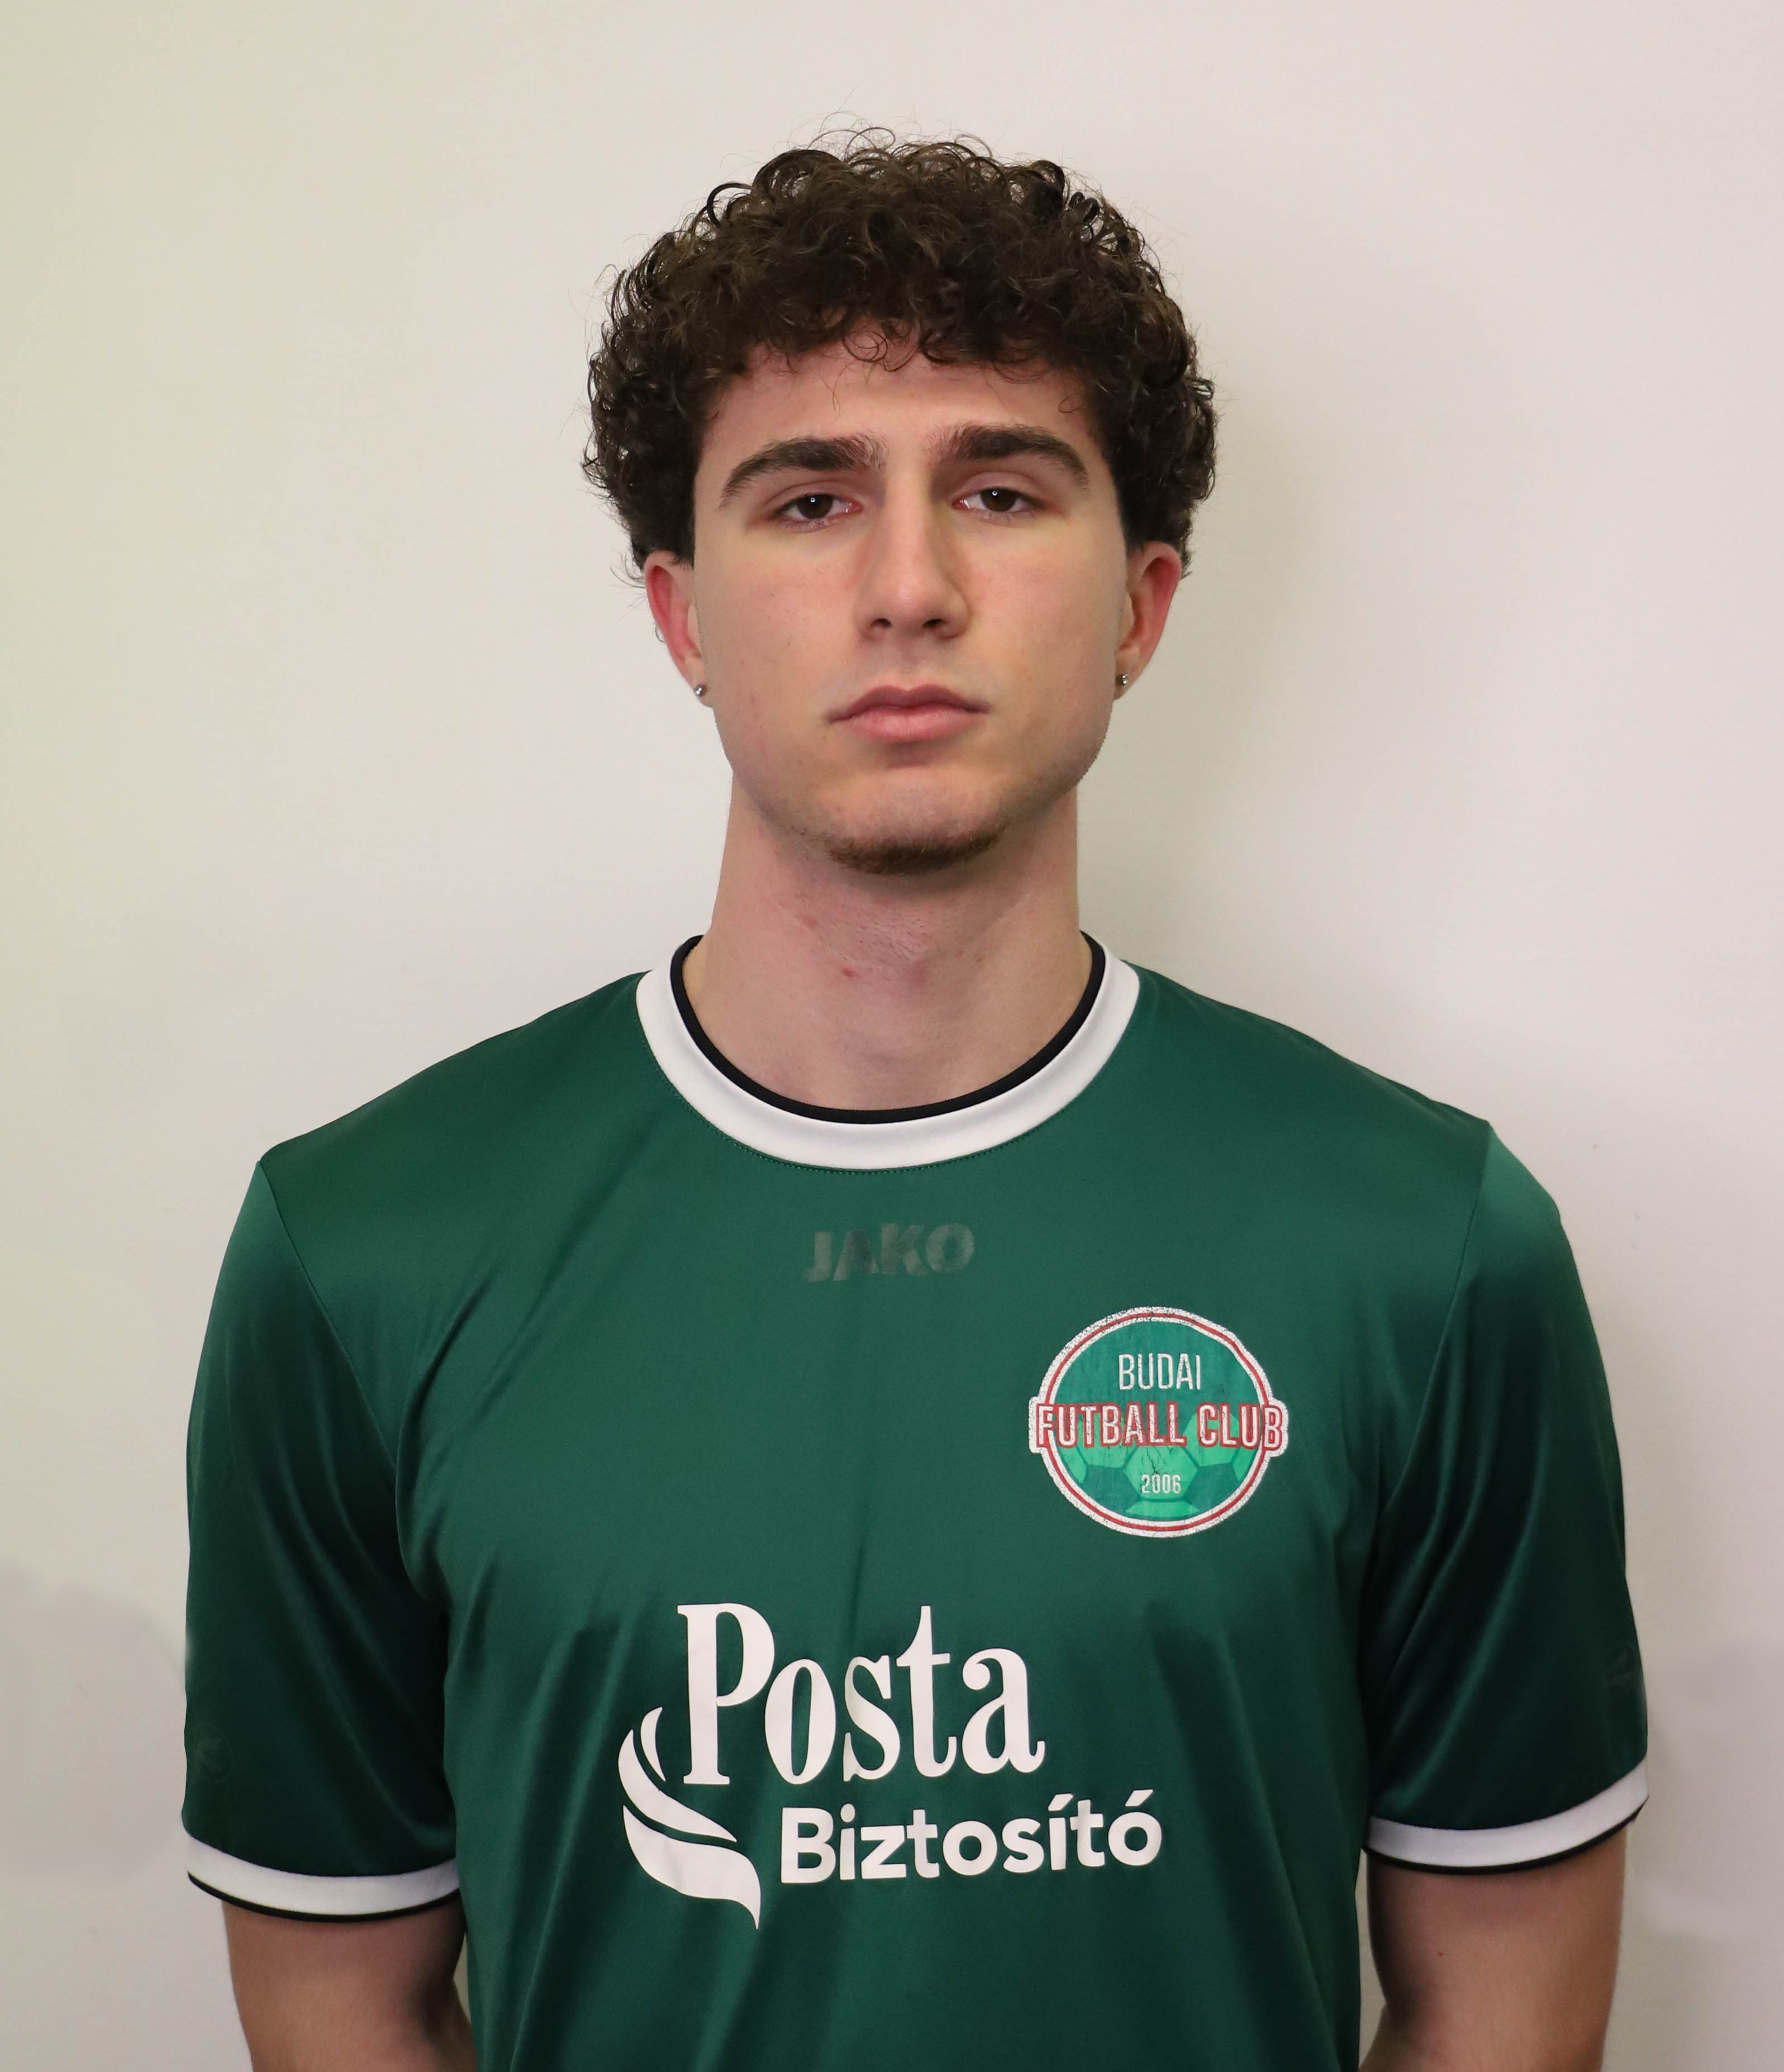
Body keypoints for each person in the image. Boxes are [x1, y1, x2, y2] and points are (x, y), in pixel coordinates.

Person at [182, 136, 1646, 2072]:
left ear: (1138, 606)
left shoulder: (1422, 1245)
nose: (907, 587)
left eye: (999, 490)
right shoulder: (363, 1252)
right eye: (808, 499)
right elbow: (338, 1990)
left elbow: (1503, 1984)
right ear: (681, 615)